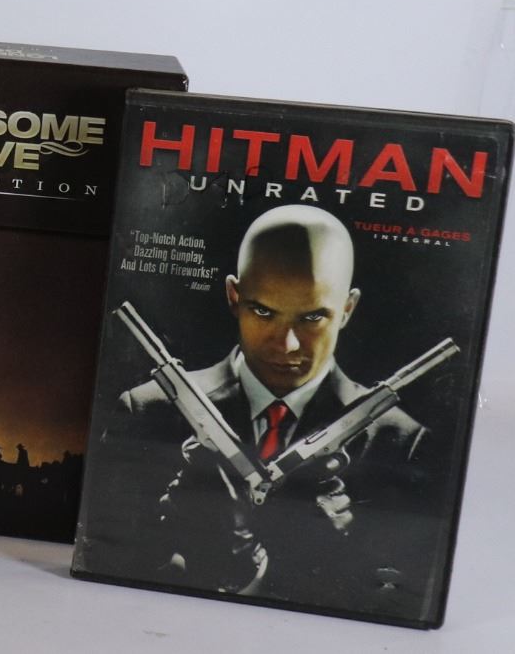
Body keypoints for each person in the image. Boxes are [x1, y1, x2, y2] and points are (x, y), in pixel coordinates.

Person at [87, 205, 434, 615]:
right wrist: (179, 556)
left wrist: (336, 559)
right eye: (263, 312)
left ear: (347, 309)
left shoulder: (402, 441)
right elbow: (101, 566)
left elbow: (403, 605)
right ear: (234, 296)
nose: (287, 344)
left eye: (313, 317)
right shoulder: (145, 411)